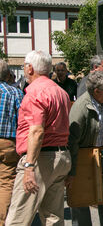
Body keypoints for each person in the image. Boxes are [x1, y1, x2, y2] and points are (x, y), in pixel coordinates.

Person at [5, 51, 71, 226]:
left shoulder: (34, 93)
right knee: (53, 217)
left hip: (42, 159)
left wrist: (29, 166)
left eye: (24, 66)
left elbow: (36, 132)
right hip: (61, 156)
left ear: (30, 68)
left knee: (18, 219)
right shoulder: (60, 92)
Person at [66, 71, 103, 226]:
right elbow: (72, 142)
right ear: (96, 91)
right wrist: (72, 172)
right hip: (82, 158)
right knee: (80, 200)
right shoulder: (80, 108)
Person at [0, 61, 24, 226]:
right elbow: (23, 123)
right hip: (7, 143)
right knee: (6, 183)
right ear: (8, 74)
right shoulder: (14, 93)